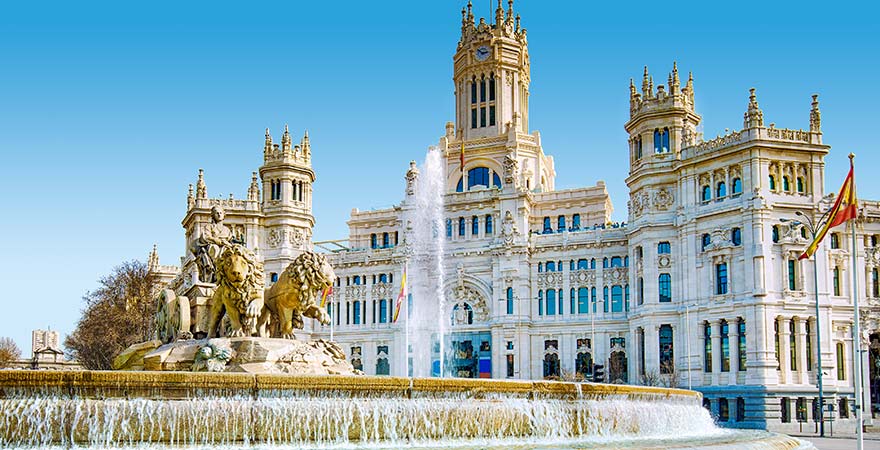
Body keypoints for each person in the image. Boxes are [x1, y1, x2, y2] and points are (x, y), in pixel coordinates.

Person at [191, 205, 234, 283]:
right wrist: (218, 241)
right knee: (215, 249)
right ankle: (217, 271)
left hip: (225, 247)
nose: (219, 214)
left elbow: (230, 240)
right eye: (217, 213)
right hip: (212, 246)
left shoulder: (227, 230)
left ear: (224, 215)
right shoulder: (209, 227)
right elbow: (206, 237)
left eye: (220, 213)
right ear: (213, 215)